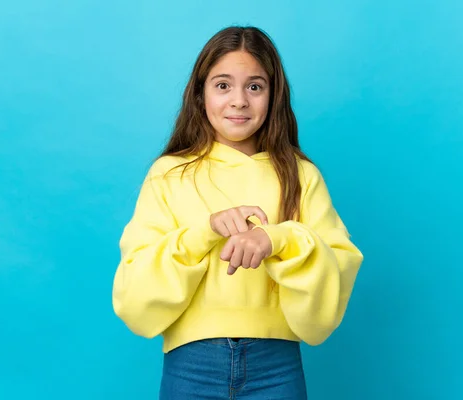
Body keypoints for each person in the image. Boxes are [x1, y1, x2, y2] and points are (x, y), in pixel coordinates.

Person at [112, 25, 364, 400]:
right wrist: (204, 232)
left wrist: (277, 238)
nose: (239, 101)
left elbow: (336, 277)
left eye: (255, 86)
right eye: (223, 85)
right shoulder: (169, 173)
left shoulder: (300, 175)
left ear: (273, 95)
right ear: (200, 94)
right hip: (191, 365)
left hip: (277, 366)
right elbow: (134, 296)